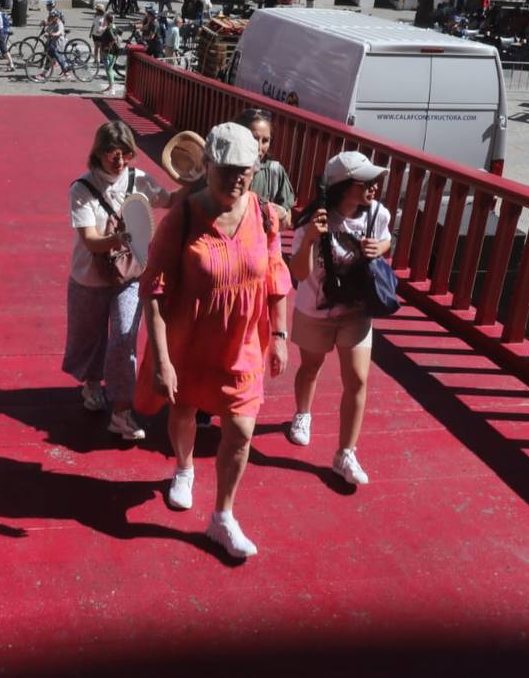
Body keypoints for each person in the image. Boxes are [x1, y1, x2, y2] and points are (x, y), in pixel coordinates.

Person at [135, 122, 289, 559]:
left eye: (247, 170)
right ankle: (184, 468)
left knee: (240, 430)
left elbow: (276, 275)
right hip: (190, 340)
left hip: (242, 343)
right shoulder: (182, 218)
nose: (238, 179)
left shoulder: (263, 215)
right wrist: (163, 360)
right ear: (207, 166)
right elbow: (155, 290)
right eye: (228, 170)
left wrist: (279, 334)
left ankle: (223, 516)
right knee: (184, 412)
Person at [66, 121, 179, 441]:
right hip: (89, 276)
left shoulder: (139, 180)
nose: (120, 161)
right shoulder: (82, 189)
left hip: (130, 276)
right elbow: (89, 240)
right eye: (112, 154)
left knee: (124, 340)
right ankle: (91, 386)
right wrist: (119, 238)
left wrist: (200, 181)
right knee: (89, 338)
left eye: (126, 154)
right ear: (98, 153)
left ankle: (121, 412)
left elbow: (169, 200)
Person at [286, 151, 393, 485]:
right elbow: (300, 273)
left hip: (356, 310)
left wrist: (382, 247)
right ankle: (303, 413)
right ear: (343, 185)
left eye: (374, 180)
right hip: (316, 308)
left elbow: (387, 237)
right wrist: (312, 242)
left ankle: (346, 453)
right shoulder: (314, 222)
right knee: (311, 367)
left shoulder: (377, 213)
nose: (373, 187)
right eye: (365, 182)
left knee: (358, 380)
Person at [236, 108, 295, 228]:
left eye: (265, 141)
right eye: (254, 138)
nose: (259, 147)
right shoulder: (225, 170)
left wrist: (281, 214)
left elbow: (287, 222)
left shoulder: (275, 172)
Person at [36, 2, 73, 81]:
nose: (52, 18)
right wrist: (46, 33)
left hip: (59, 43)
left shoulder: (60, 24)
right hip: (53, 43)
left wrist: (53, 34)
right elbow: (48, 29)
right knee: (50, 58)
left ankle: (67, 74)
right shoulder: (53, 22)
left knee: (58, 58)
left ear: (57, 16)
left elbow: (59, 32)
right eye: (51, 16)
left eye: (53, 16)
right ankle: (44, 74)